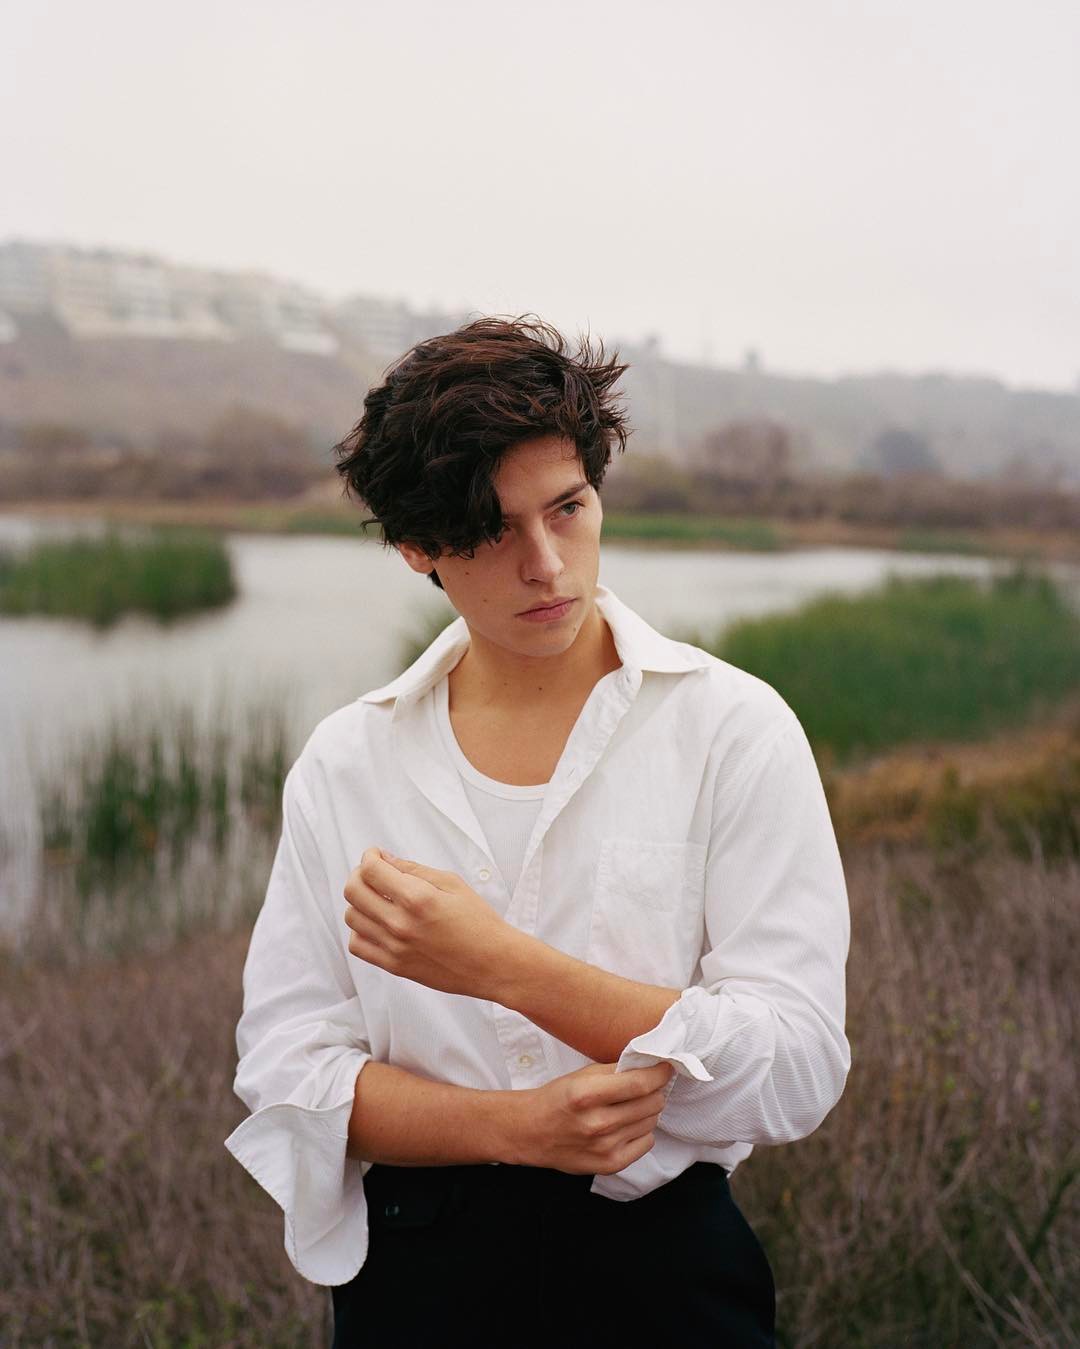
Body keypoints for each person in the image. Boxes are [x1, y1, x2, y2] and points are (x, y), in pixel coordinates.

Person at [224, 315, 851, 1348]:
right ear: (418, 547)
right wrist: (512, 1126)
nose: (547, 563)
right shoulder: (349, 762)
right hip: (416, 1279)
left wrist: (502, 965)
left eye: (569, 508)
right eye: (492, 530)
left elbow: (797, 1065)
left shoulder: (732, 728)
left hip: (669, 1272)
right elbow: (287, 1068)